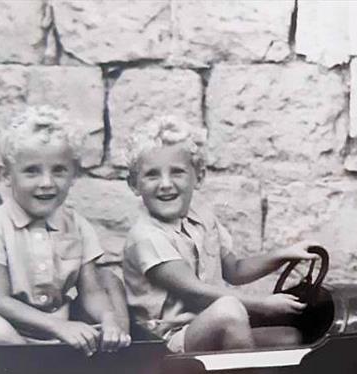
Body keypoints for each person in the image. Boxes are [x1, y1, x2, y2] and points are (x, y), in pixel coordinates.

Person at [122, 116, 317, 353]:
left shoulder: (202, 218)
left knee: (290, 337)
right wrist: (264, 305)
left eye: (177, 172)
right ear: (134, 184)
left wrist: (283, 255)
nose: (165, 184)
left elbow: (234, 270)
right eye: (152, 174)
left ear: (199, 177)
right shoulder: (146, 236)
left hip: (206, 326)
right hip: (168, 345)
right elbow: (195, 292)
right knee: (229, 311)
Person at [0, 105, 130, 355]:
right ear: (8, 175)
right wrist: (58, 327)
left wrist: (107, 319)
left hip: (60, 332)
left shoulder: (78, 226)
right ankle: (33, 372)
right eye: (31, 171)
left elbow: (91, 291)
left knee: (109, 286)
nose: (47, 183)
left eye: (59, 171)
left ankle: (109, 359)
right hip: (9, 333)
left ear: (73, 175)